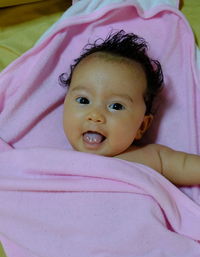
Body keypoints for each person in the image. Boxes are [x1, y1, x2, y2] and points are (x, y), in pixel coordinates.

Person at [60, 30, 200, 186]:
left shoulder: (149, 158)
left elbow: (187, 166)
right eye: (84, 100)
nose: (95, 115)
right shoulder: (52, 162)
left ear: (141, 125)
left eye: (116, 106)